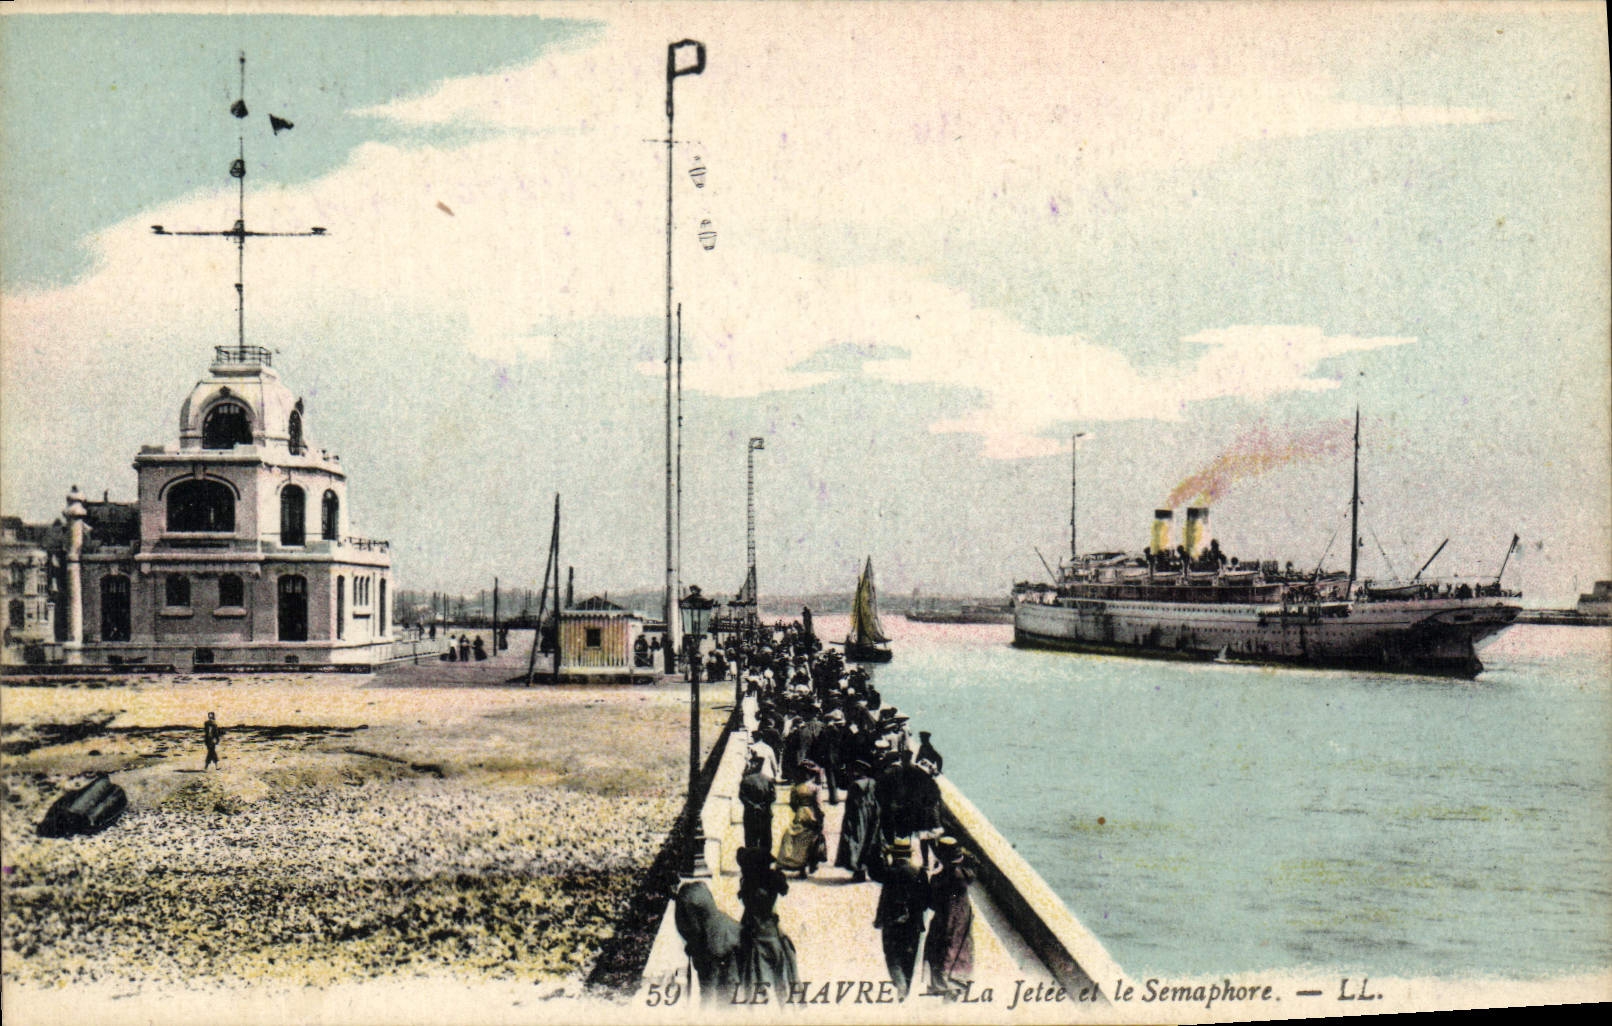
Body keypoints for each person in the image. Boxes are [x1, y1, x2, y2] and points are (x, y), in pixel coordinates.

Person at [736, 846, 798, 1000]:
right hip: (770, 932)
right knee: (780, 978)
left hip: (757, 935)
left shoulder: (750, 886)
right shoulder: (768, 884)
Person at [873, 837, 930, 1000]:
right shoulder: (919, 872)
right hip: (913, 922)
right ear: (909, 855)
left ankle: (899, 984)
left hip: (891, 919)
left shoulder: (889, 872)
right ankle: (906, 984)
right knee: (909, 954)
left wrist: (879, 918)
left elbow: (882, 892)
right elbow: (926, 901)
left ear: (894, 854)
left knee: (892, 954)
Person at [673, 880, 742, 1005]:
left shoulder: (683, 899)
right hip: (730, 933)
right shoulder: (700, 886)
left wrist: (691, 948)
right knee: (728, 986)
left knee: (708, 990)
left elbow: (695, 930)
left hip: (711, 944)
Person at [922, 837, 975, 999]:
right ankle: (958, 983)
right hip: (962, 917)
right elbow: (974, 861)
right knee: (961, 948)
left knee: (939, 950)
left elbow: (931, 904)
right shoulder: (966, 876)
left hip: (944, 918)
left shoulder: (938, 879)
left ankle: (941, 985)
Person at [834, 760, 881, 883]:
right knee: (869, 840)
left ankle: (858, 870)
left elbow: (851, 804)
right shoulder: (873, 782)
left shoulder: (855, 785)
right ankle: (865, 868)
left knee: (856, 840)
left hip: (858, 815)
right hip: (871, 814)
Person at [774, 774, 827, 878]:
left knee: (795, 838)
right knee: (809, 841)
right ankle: (805, 867)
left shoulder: (796, 787)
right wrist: (821, 816)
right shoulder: (815, 788)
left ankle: (787, 862)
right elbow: (819, 804)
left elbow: (793, 803)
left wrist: (799, 809)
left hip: (800, 814)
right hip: (812, 814)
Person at [739, 753, 776, 854]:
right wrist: (763, 805)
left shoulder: (746, 780)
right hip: (765, 813)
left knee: (751, 840)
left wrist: (754, 806)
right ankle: (764, 862)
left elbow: (742, 796)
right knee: (766, 839)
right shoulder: (768, 780)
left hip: (751, 814)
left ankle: (752, 863)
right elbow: (773, 797)